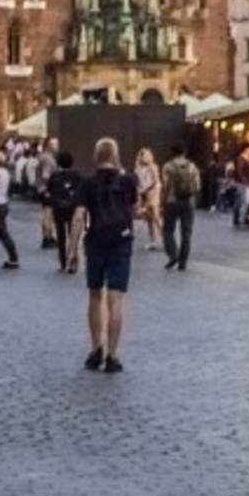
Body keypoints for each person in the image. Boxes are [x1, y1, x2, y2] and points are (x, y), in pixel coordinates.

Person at [77, 138, 140, 371]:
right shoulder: (128, 181)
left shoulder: (88, 184)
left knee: (95, 296)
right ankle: (113, 355)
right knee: (116, 300)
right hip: (121, 243)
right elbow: (135, 209)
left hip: (95, 242)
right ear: (115, 156)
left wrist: (73, 249)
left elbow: (78, 217)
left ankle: (96, 349)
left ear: (95, 156)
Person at [160, 145, 201, 270]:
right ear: (184, 152)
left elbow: (165, 185)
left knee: (168, 230)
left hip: (172, 201)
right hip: (188, 201)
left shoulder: (167, 166)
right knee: (186, 232)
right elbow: (197, 185)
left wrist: (163, 200)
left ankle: (173, 254)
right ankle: (183, 262)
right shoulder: (192, 166)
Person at [46, 149, 83, 274]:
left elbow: (49, 191)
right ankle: (73, 261)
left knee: (61, 236)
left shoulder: (54, 176)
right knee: (73, 235)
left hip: (58, 208)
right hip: (72, 208)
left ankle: (63, 262)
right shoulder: (76, 175)